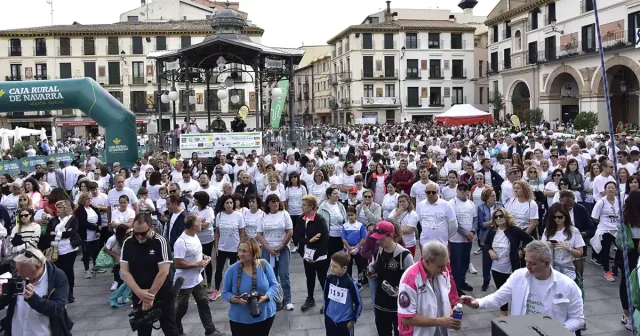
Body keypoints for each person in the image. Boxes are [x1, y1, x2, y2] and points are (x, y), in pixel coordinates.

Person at [460, 240, 585, 333]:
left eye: (533, 263)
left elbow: (578, 319)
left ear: (547, 263)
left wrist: (556, 331)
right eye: (526, 261)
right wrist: (477, 303)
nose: (528, 266)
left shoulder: (568, 286)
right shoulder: (518, 276)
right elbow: (498, 298)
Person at [120, 213, 179, 336]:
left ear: (152, 228)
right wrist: (140, 293)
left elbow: (163, 271)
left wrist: (150, 296)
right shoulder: (128, 243)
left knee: (169, 328)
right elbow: (124, 271)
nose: (139, 237)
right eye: (136, 233)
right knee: (143, 330)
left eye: (143, 233)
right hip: (140, 293)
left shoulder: (160, 241)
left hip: (161, 292)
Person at [0, 248, 74, 335]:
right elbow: (4, 304)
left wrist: (33, 298)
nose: (19, 274)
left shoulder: (57, 277)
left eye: (23, 270)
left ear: (38, 266)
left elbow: (57, 308)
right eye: (17, 269)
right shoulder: (17, 274)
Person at [173, 214, 226, 336]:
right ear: (194, 225)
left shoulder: (195, 236)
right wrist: (197, 264)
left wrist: (203, 257)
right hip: (184, 282)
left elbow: (196, 252)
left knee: (204, 304)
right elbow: (178, 264)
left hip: (197, 279)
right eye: (200, 222)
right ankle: (176, 330)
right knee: (181, 309)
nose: (202, 223)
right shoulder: (181, 242)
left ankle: (210, 330)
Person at [397, 240, 461, 335]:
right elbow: (407, 319)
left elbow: (446, 297)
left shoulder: (443, 271)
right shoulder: (409, 280)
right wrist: (440, 321)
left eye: (446, 264)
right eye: (440, 266)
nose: (444, 269)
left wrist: (450, 315)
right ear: (427, 261)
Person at [222, 238, 278, 336]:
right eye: (239, 250)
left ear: (253, 252)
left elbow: (274, 285)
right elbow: (225, 292)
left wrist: (265, 297)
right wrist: (237, 300)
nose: (241, 254)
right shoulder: (232, 270)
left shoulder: (264, 264)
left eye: (244, 251)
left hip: (264, 315)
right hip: (240, 319)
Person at [485, 207, 534, 315]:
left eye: (501, 216)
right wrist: (490, 251)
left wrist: (523, 250)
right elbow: (486, 243)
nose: (498, 218)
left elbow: (531, 240)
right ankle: (504, 313)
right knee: (501, 292)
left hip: (511, 268)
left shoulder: (514, 230)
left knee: (517, 292)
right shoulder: (492, 231)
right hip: (496, 268)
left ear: (506, 217)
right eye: (496, 217)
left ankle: (519, 313)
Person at [369, 221, 414, 336]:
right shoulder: (377, 253)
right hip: (380, 305)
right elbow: (374, 269)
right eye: (377, 239)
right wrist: (372, 274)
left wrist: (402, 290)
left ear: (391, 235)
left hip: (399, 306)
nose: (378, 241)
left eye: (382, 238)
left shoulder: (404, 255)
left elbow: (414, 280)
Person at [257, 194, 295, 311]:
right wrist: (268, 248)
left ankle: (287, 299)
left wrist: (281, 246)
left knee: (284, 274)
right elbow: (259, 234)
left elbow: (289, 232)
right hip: (268, 250)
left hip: (282, 249)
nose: (276, 204)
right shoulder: (262, 217)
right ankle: (275, 299)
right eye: (273, 201)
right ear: (268, 204)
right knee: (271, 275)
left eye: (277, 201)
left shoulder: (284, 214)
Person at [293, 195, 330, 312]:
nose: (302, 206)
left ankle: (328, 302)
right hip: (306, 253)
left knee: (322, 277)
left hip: (319, 254)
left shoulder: (319, 220)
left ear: (311, 207)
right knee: (309, 277)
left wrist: (316, 255)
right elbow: (296, 236)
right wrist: (308, 241)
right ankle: (310, 298)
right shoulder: (300, 219)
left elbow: (324, 240)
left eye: (304, 205)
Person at [211, 194, 246, 301]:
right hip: (222, 247)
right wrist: (216, 247)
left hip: (235, 247)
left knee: (236, 269)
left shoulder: (238, 215)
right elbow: (217, 232)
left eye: (231, 203)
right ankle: (217, 289)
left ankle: (236, 289)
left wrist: (241, 247)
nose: (229, 205)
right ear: (223, 204)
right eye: (227, 203)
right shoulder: (219, 215)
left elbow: (242, 232)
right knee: (219, 270)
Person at [323, 251, 363, 336]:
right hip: (330, 320)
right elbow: (325, 298)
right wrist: (326, 315)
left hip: (344, 322)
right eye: (331, 265)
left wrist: (352, 321)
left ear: (344, 268)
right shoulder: (329, 279)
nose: (331, 268)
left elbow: (358, 304)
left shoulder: (351, 283)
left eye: (335, 266)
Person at [50, 200, 80, 303]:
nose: (57, 210)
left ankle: (70, 293)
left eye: (60, 207)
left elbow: (71, 233)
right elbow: (49, 233)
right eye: (57, 207)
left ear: (66, 208)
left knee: (68, 271)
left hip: (69, 249)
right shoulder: (53, 220)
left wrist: (57, 233)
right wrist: (62, 233)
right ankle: (60, 293)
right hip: (55, 249)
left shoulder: (72, 219)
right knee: (58, 272)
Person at [590, 181, 621, 281]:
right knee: (606, 247)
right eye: (608, 188)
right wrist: (603, 223)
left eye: (613, 188)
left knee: (620, 248)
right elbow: (594, 217)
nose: (611, 189)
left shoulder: (619, 201)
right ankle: (607, 271)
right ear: (605, 190)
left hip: (617, 229)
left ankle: (616, 265)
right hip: (605, 229)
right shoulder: (601, 202)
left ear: (616, 189)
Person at [75, 192, 101, 279]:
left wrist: (97, 229)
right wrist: (95, 227)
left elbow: (99, 219)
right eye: (87, 199)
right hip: (86, 235)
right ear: (82, 200)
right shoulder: (80, 210)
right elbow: (83, 223)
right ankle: (86, 270)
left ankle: (95, 266)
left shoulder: (93, 208)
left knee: (95, 251)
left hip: (95, 234)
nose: (89, 200)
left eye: (90, 198)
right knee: (86, 253)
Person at [318, 187, 348, 259]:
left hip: (340, 237)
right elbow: (318, 223)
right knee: (328, 258)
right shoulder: (322, 207)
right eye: (335, 194)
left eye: (338, 193)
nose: (337, 195)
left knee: (339, 259)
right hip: (329, 237)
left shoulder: (341, 206)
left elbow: (345, 220)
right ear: (328, 195)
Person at [342, 206, 367, 288]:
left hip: (358, 250)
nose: (350, 217)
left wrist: (357, 247)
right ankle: (349, 282)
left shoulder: (360, 225)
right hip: (348, 250)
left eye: (351, 215)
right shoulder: (345, 226)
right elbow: (343, 238)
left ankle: (360, 282)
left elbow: (363, 238)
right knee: (348, 266)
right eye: (348, 215)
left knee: (360, 266)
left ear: (355, 215)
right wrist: (349, 248)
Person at [105, 224, 132, 291]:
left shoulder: (128, 237)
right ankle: (116, 282)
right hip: (116, 256)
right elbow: (106, 248)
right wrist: (115, 255)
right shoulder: (112, 239)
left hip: (125, 256)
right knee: (117, 269)